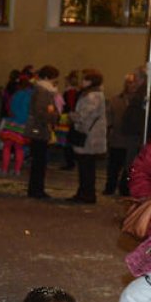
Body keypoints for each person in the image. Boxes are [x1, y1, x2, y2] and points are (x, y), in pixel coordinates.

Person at [68, 69, 107, 204]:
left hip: (88, 136)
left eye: (85, 79)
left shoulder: (92, 96)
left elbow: (83, 115)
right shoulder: (94, 94)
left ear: (90, 81)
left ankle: (87, 194)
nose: (82, 82)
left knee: (86, 167)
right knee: (86, 167)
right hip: (90, 135)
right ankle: (84, 192)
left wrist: (71, 115)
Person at [26, 66, 60, 199]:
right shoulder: (43, 90)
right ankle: (36, 190)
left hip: (41, 128)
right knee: (39, 161)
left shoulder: (43, 89)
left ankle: (36, 188)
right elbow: (41, 111)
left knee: (39, 161)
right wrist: (53, 116)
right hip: (39, 129)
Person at [104, 73, 139, 196]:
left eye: (134, 83)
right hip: (117, 138)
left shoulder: (140, 101)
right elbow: (108, 117)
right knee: (114, 166)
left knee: (129, 167)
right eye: (130, 83)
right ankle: (110, 187)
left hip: (133, 140)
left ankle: (124, 188)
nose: (132, 86)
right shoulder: (116, 99)